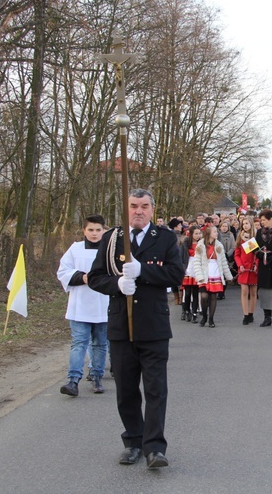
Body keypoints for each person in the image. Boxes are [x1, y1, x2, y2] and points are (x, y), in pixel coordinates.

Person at [87, 188, 184, 469]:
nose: (138, 211)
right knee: (126, 390)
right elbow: (95, 277)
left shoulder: (165, 238)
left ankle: (155, 448)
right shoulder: (111, 239)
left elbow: (176, 274)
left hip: (153, 327)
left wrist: (144, 272)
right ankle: (133, 442)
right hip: (120, 326)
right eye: (133, 206)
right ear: (126, 209)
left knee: (156, 390)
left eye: (144, 206)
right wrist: (116, 285)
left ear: (152, 209)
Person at [57, 215, 110, 397]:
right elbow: (63, 271)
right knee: (79, 343)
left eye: (98, 230)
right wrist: (82, 277)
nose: (94, 234)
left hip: (103, 304)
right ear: (84, 231)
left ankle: (96, 376)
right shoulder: (75, 249)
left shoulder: (110, 249)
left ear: (104, 231)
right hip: (80, 304)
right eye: (90, 230)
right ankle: (73, 380)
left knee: (100, 343)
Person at [193, 225, 233, 327]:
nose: (217, 233)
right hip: (204, 273)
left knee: (213, 297)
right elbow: (196, 262)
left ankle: (211, 319)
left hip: (215, 273)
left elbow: (223, 262)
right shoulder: (200, 245)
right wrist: (199, 276)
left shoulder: (219, 245)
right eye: (214, 231)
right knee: (204, 296)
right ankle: (204, 316)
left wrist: (229, 276)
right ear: (209, 233)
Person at [234, 218, 258, 324]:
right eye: (243, 224)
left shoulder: (256, 237)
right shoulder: (240, 237)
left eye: (247, 223)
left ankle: (251, 313)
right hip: (243, 268)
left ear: (251, 224)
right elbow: (237, 254)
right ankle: (245, 314)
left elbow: (257, 254)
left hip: (253, 268)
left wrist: (256, 264)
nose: (245, 225)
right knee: (244, 291)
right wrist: (240, 265)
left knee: (253, 292)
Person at [180, 225, 202, 323]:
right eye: (196, 233)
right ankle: (186, 310)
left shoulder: (202, 244)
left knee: (196, 293)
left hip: (198, 268)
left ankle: (194, 312)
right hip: (188, 268)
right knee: (187, 293)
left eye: (199, 233)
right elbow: (181, 257)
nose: (198, 235)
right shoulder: (185, 244)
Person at [217, 220, 236, 300]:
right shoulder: (217, 235)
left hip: (228, 257)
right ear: (220, 227)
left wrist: (227, 254)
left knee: (225, 275)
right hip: (218, 256)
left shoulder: (231, 235)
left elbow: (233, 247)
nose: (224, 228)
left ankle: (222, 292)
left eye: (226, 226)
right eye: (223, 226)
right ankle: (218, 290)